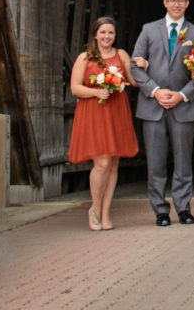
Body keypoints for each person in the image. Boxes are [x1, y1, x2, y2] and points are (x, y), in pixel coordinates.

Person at [130, 0, 194, 226]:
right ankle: (160, 210)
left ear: (187, 4)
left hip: (183, 106)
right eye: (172, 0)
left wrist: (182, 95)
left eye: (181, 0)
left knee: (183, 161)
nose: (176, 4)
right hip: (153, 105)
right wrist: (155, 91)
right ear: (164, 2)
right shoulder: (149, 30)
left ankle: (184, 208)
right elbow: (135, 65)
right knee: (155, 161)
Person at [67, 16, 139, 231]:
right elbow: (75, 88)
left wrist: (142, 64)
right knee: (102, 164)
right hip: (94, 112)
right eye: (103, 32)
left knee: (114, 164)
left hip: (117, 111)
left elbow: (134, 80)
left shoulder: (121, 55)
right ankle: (95, 209)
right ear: (95, 34)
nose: (107, 36)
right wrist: (96, 91)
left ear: (115, 35)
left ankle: (106, 211)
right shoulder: (84, 58)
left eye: (111, 33)